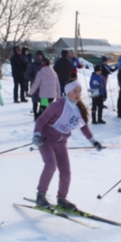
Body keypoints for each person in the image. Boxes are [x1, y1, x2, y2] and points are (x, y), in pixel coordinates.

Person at [32, 79, 102, 210]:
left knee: (66, 173)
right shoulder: (58, 105)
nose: (78, 94)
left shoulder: (78, 108)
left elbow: (83, 126)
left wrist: (93, 141)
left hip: (61, 142)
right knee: (50, 166)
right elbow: (41, 120)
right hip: (46, 139)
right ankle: (40, 196)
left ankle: (62, 199)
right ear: (68, 92)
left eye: (80, 91)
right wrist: (36, 135)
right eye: (75, 91)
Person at [26, 51, 46, 120]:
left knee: (44, 102)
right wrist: (34, 80)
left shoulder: (45, 65)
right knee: (35, 101)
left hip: (44, 86)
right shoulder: (32, 65)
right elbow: (27, 75)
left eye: (41, 55)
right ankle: (35, 115)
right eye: (38, 56)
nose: (40, 57)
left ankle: (41, 115)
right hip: (35, 86)